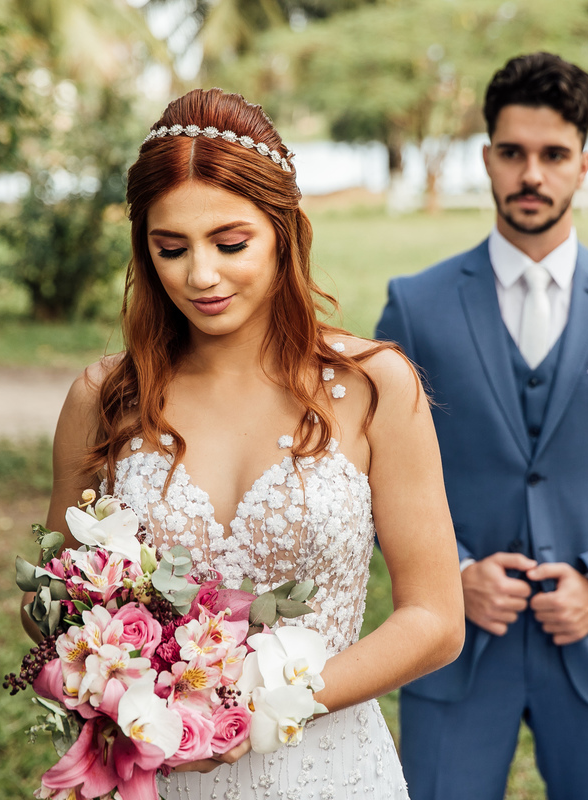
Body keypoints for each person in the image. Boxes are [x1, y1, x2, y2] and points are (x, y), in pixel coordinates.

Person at [34, 88, 465, 800]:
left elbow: (435, 620)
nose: (200, 276)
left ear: (284, 231)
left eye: (230, 244)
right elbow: (53, 604)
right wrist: (109, 671)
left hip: (330, 768)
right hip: (156, 772)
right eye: (170, 248)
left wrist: (257, 709)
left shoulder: (374, 387)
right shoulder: (105, 399)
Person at [376, 53, 588, 800]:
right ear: (486, 157)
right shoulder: (416, 306)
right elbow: (370, 476)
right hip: (452, 652)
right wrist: (455, 572)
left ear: (583, 163)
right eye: (514, 153)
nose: (532, 174)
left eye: (553, 155)